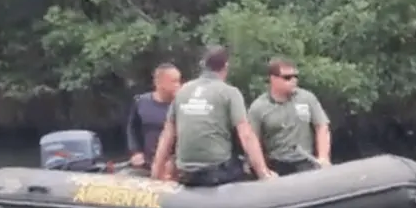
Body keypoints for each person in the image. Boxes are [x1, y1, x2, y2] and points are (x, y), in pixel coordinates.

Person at [151, 45, 274, 185]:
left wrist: (155, 173)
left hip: (186, 173)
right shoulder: (229, 92)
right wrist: (264, 174)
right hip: (216, 172)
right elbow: (246, 135)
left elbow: (167, 135)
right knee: (244, 166)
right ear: (226, 66)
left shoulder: (183, 91)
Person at [247, 58, 331, 176]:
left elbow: (322, 126)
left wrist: (323, 157)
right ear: (273, 79)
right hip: (278, 164)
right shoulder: (258, 107)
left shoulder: (307, 98)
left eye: (295, 76)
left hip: (306, 161)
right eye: (287, 77)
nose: (293, 80)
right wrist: (264, 171)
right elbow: (251, 141)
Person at [125, 63, 182, 176]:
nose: (178, 85)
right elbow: (132, 129)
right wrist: (136, 151)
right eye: (174, 81)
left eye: (179, 81)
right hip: (146, 164)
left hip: (174, 166)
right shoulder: (141, 102)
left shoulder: (182, 105)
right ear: (159, 83)